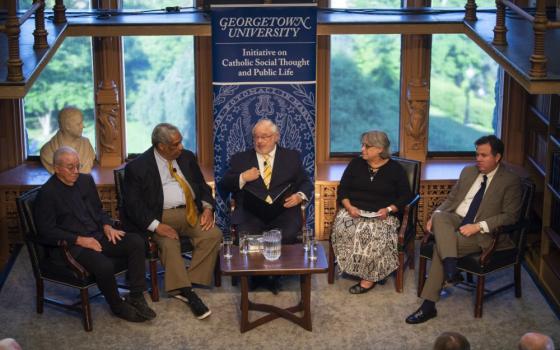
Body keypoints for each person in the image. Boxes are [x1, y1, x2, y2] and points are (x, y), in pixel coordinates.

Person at [406, 135, 522, 324]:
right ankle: (451, 268)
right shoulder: (468, 172)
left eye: (484, 155)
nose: (478, 159)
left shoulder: (510, 180)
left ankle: (428, 306)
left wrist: (478, 226)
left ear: (498, 157)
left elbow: (510, 216)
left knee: (439, 248)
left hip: (482, 233)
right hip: (455, 220)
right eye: (477, 154)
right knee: (440, 216)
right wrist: (435, 214)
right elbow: (451, 200)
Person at [34, 146, 155, 323]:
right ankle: (117, 306)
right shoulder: (47, 194)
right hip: (72, 246)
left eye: (78, 165)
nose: (76, 171)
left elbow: (98, 210)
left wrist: (107, 225)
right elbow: (47, 231)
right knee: (104, 265)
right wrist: (80, 240)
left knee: (136, 242)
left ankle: (136, 295)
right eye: (70, 167)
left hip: (97, 234)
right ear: (56, 168)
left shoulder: (85, 181)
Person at [121, 123, 221, 320]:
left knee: (213, 234)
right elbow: (133, 206)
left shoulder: (187, 157)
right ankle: (186, 292)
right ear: (161, 146)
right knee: (169, 243)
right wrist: (157, 226)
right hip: (159, 216)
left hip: (190, 211)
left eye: (181, 142)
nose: (181, 147)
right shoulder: (138, 167)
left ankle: (187, 284)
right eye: (176, 144)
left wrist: (208, 208)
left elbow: (201, 187)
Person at [331, 130, 412, 294]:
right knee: (343, 228)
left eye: (367, 146)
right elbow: (343, 190)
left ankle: (369, 277)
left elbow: (405, 196)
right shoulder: (355, 164)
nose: (362, 149)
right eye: (362, 145)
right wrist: (349, 207)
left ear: (380, 149)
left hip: (382, 214)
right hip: (353, 210)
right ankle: (351, 266)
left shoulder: (395, 170)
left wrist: (389, 209)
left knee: (375, 233)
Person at [218, 118, 313, 244]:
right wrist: (242, 177)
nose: (259, 141)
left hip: (284, 213)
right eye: (256, 137)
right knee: (246, 238)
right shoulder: (240, 159)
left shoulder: (291, 157)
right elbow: (223, 185)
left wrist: (299, 196)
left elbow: (306, 182)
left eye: (264, 137)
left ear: (276, 137)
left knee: (289, 235)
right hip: (250, 215)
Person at [40, 107, 95, 174]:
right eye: (78, 124)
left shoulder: (87, 145)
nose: (83, 126)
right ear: (67, 126)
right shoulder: (47, 151)